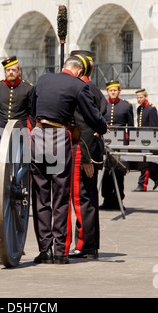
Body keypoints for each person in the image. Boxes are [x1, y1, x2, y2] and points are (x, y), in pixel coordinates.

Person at [31, 56, 108, 264]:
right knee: (60, 196)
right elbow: (91, 115)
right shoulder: (78, 85)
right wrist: (103, 128)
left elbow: (32, 108)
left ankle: (44, 250)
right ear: (78, 71)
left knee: (40, 196)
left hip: (38, 135)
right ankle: (59, 252)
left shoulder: (43, 79)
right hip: (58, 137)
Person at [68, 50, 107, 259]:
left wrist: (85, 157)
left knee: (81, 198)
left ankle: (85, 246)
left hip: (84, 152)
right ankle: (89, 245)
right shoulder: (93, 89)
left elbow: (85, 126)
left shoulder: (82, 89)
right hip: (89, 151)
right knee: (88, 199)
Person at [100, 80, 134, 209]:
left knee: (119, 171)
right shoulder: (103, 105)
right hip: (106, 141)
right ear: (107, 91)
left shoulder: (126, 106)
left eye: (115, 90)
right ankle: (107, 199)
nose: (113, 92)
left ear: (119, 91)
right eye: (110, 90)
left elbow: (130, 126)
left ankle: (119, 199)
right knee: (106, 171)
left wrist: (129, 144)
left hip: (120, 143)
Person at [0, 56, 35, 148]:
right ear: (5, 71)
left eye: (13, 70)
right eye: (8, 70)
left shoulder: (28, 88)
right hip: (1, 128)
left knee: (20, 157)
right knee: (0, 157)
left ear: (19, 71)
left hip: (20, 127)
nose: (11, 72)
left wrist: (32, 131)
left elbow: (32, 113)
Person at [133, 88, 158, 192]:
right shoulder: (139, 109)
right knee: (142, 162)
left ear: (146, 97)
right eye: (138, 98)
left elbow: (153, 127)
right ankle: (156, 176)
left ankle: (142, 185)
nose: (139, 100)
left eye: (141, 97)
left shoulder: (151, 109)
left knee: (145, 163)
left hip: (148, 140)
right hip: (140, 139)